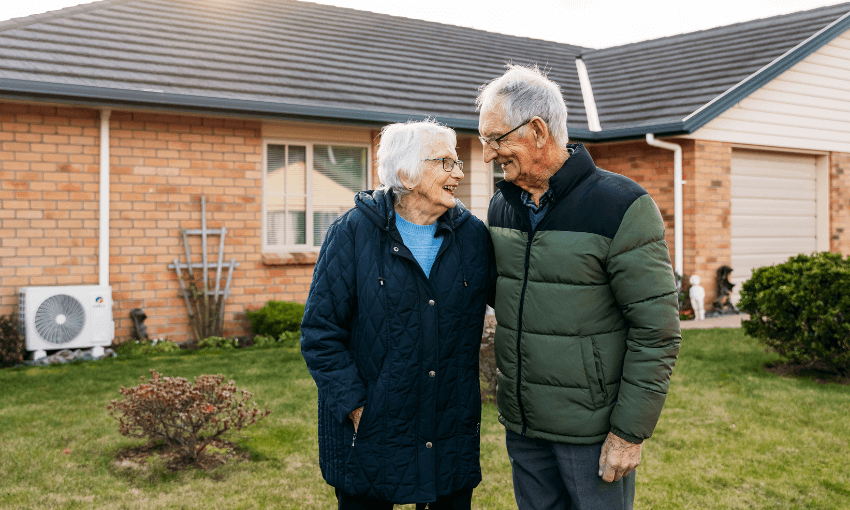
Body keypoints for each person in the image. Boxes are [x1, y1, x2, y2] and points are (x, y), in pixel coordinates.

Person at [477, 64, 681, 510]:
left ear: (536, 130)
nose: (489, 155)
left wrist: (629, 432)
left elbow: (657, 330)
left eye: (496, 139)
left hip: (592, 433)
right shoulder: (502, 206)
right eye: (484, 141)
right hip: (524, 428)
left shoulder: (622, 206)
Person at [301, 120, 492, 510]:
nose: (459, 173)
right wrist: (357, 407)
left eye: (457, 163)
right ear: (405, 173)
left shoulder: (473, 236)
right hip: (372, 432)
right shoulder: (352, 232)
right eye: (446, 162)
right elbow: (320, 333)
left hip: (449, 429)